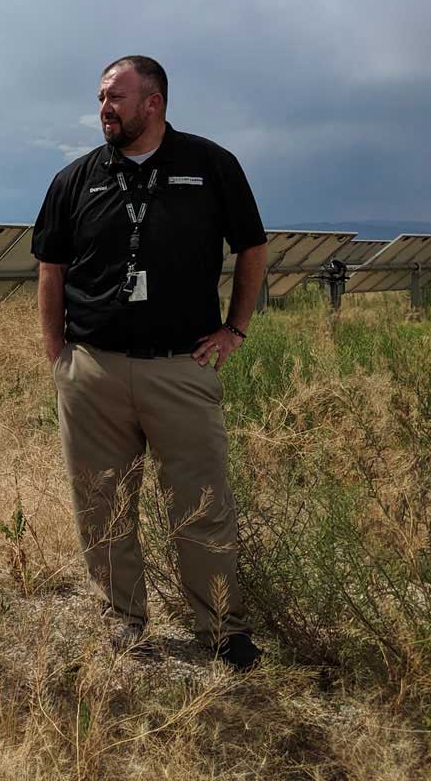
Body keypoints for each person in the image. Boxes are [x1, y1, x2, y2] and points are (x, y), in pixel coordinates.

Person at [32, 55, 268, 671]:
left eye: (115, 97)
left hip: (181, 367)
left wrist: (234, 329)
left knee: (202, 501)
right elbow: (50, 269)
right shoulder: (75, 179)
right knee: (101, 503)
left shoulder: (211, 166)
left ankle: (222, 630)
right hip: (94, 370)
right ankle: (122, 621)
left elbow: (253, 248)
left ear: (153, 102)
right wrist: (58, 353)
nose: (104, 108)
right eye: (100, 98)